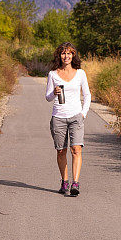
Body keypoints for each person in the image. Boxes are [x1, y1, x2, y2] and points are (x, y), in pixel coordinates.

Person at [45, 42, 90, 196]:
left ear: (73, 55)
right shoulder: (53, 74)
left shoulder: (80, 73)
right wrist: (54, 92)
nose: (66, 56)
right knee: (61, 151)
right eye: (64, 53)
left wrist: (83, 113)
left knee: (76, 149)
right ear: (60, 55)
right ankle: (65, 182)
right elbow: (47, 97)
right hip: (58, 117)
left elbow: (87, 95)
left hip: (76, 116)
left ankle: (75, 183)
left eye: (69, 53)